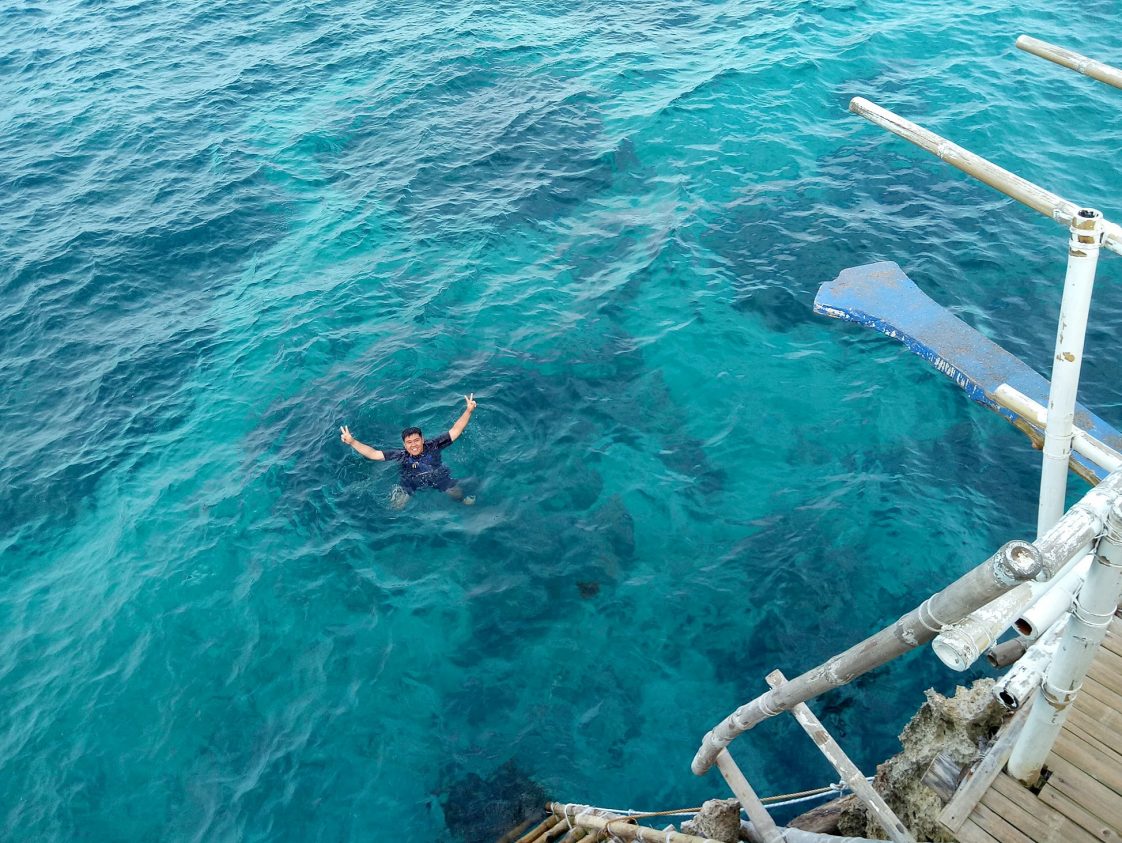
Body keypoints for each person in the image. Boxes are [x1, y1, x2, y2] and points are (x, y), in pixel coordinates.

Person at [341, 394, 477, 508]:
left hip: (439, 476)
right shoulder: (400, 455)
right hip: (411, 482)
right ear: (404, 444)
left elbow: (455, 431)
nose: (414, 445)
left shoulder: (434, 445)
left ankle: (462, 502)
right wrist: (352, 442)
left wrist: (468, 411)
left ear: (422, 439)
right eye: (409, 442)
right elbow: (374, 454)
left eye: (416, 440)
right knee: (396, 507)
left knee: (458, 495)